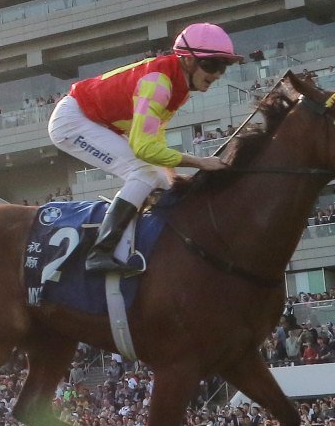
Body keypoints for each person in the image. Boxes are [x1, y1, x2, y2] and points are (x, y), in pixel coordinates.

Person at [47, 24, 241, 273]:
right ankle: (100, 252)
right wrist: (199, 162)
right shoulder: (159, 83)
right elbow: (142, 148)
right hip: (72, 122)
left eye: (223, 67)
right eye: (212, 65)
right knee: (144, 172)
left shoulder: (178, 87)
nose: (217, 74)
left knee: (160, 180)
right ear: (189, 61)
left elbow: (155, 135)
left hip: (93, 122)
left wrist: (170, 176)